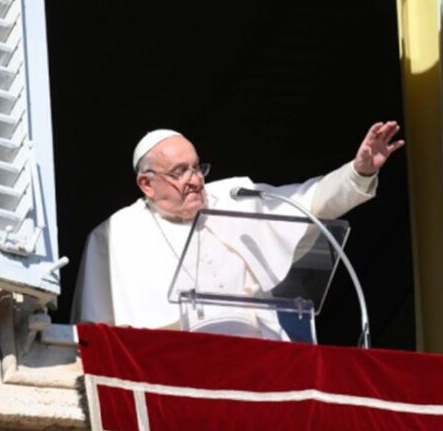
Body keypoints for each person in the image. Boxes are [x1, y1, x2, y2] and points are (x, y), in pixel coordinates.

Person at [71, 122, 404, 338]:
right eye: (179, 172)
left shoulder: (233, 196)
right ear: (147, 183)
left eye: (197, 167)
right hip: (176, 372)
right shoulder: (115, 236)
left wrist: (357, 172)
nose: (195, 180)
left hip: (260, 358)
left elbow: (311, 202)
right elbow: (95, 334)